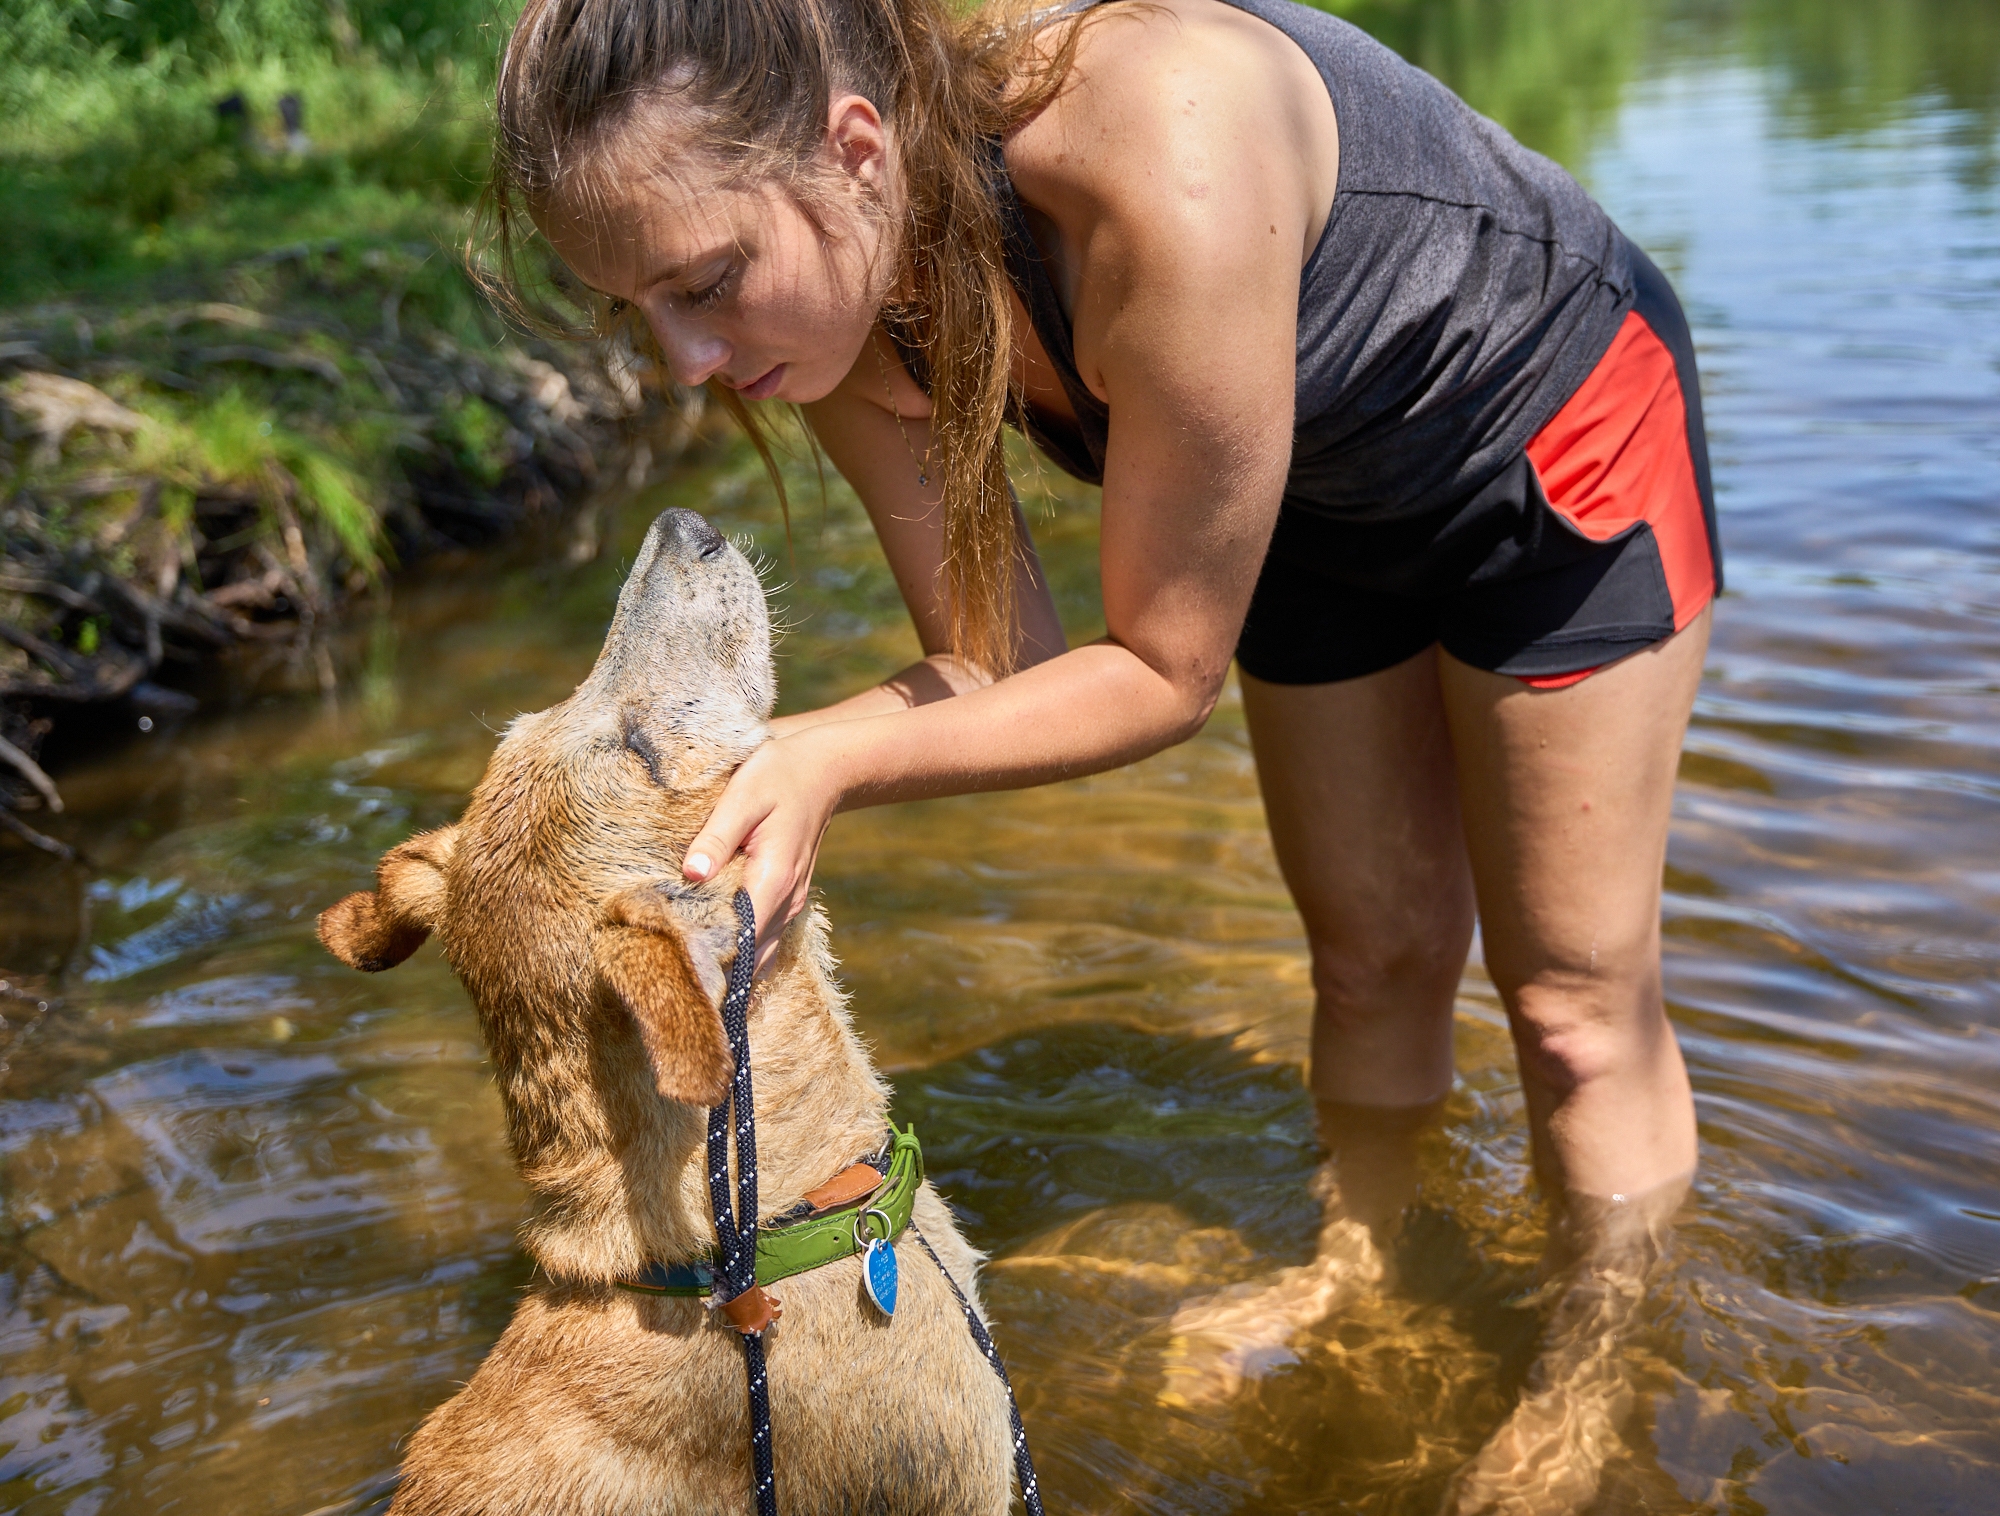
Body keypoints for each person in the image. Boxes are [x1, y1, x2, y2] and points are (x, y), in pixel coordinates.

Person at [489, 0, 1720, 1505]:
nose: (684, 358)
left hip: (1550, 434)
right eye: (636, 313)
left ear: (856, 149)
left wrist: (822, 758)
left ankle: (1594, 1383)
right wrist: (791, 763)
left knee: (1575, 1004)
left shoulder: (1162, 164)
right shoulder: (819, 295)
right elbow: (999, 660)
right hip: (1312, 488)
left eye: (703, 286)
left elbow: (1159, 672)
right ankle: (1364, 1262)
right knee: (1374, 958)